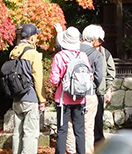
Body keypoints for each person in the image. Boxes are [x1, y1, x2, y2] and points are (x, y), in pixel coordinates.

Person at [50, 26, 92, 154]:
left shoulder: (59, 56)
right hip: (80, 99)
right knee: (80, 131)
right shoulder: (83, 56)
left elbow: (54, 80)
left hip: (63, 99)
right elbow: (89, 75)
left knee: (62, 131)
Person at [66, 26, 105, 154]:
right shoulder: (96, 54)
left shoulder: (73, 50)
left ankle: (71, 151)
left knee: (71, 125)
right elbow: (99, 78)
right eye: (99, 40)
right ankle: (87, 151)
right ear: (93, 40)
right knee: (88, 126)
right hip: (89, 94)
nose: (100, 43)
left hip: (71, 94)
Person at [9, 23, 45, 154]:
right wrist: (42, 99)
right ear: (31, 37)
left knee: (17, 132)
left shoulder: (14, 52)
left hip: (16, 97)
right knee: (30, 133)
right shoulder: (32, 54)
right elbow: (38, 78)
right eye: (36, 35)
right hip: (30, 97)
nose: (37, 37)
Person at [90, 25, 116, 144]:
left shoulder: (105, 53)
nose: (99, 42)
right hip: (87, 90)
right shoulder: (85, 51)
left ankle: (98, 141)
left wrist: (108, 89)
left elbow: (111, 72)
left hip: (100, 90)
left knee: (98, 117)